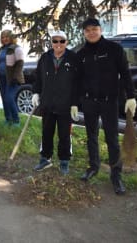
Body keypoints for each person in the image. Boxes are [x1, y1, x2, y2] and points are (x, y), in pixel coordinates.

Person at [77, 18, 136, 194]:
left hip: (109, 101)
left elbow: (125, 74)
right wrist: (75, 102)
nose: (91, 32)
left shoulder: (114, 49)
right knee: (91, 137)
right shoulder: (81, 54)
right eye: (87, 30)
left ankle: (116, 175)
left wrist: (131, 96)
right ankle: (93, 167)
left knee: (112, 139)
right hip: (89, 102)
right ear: (84, 33)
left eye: (94, 29)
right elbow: (76, 80)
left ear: (101, 29)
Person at [31, 30, 79, 174]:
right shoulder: (45, 58)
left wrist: (75, 103)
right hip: (47, 103)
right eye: (55, 41)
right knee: (46, 132)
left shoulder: (73, 58)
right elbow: (38, 78)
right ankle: (45, 158)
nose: (58, 44)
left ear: (66, 42)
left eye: (62, 41)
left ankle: (64, 161)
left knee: (64, 135)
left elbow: (78, 83)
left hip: (65, 105)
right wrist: (35, 93)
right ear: (51, 42)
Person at [0, 29, 24, 126]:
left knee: (9, 98)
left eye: (7, 37)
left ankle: (16, 120)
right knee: (4, 99)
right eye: (3, 37)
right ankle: (8, 119)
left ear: (11, 38)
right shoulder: (1, 49)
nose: (4, 39)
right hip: (2, 78)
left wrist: (15, 77)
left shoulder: (16, 48)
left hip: (12, 79)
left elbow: (20, 64)